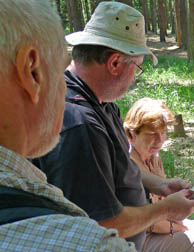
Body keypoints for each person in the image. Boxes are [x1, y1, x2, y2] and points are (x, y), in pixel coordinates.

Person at [32, 2, 194, 252]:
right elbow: (99, 225)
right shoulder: (79, 123)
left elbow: (115, 167)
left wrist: (158, 184)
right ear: (114, 64)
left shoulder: (102, 103)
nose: (135, 78)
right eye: (137, 68)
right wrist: (165, 209)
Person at [0, 0, 136, 251]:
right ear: (32, 72)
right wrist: (167, 209)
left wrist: (158, 185)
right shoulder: (92, 245)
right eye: (61, 70)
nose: (65, 85)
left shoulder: (107, 107)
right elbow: (103, 221)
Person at [123, 97, 194, 252]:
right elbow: (145, 222)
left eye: (163, 132)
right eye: (153, 134)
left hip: (158, 225)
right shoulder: (126, 163)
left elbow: (161, 201)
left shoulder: (153, 156)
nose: (160, 140)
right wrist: (179, 227)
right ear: (132, 133)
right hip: (136, 239)